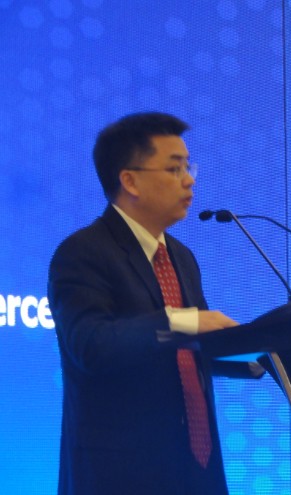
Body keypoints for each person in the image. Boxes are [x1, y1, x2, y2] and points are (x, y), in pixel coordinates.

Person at [48, 112, 237, 495]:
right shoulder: (82, 252)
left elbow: (191, 354)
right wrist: (181, 321)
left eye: (189, 167)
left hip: (196, 472)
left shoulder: (182, 257)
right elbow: (91, 345)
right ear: (130, 180)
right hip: (120, 475)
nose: (189, 180)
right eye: (174, 168)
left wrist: (258, 349)